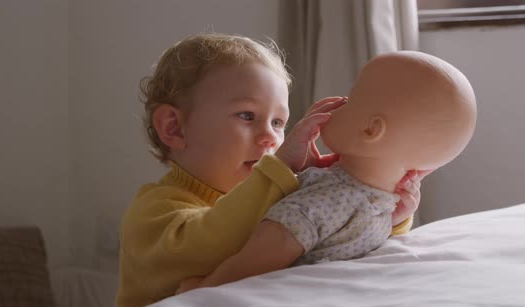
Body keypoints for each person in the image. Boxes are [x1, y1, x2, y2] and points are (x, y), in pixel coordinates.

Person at [116, 33, 425, 307]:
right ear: (174, 127)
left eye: (278, 122)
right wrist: (279, 173)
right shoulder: (153, 210)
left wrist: (386, 215)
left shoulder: (275, 198)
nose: (271, 138)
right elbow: (208, 246)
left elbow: (334, 243)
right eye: (247, 116)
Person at [176, 50, 477, 293]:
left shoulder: (320, 201)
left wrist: (205, 288)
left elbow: (262, 254)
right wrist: (394, 220)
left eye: (350, 100)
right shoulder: (378, 207)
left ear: (371, 130)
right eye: (247, 116)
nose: (337, 103)